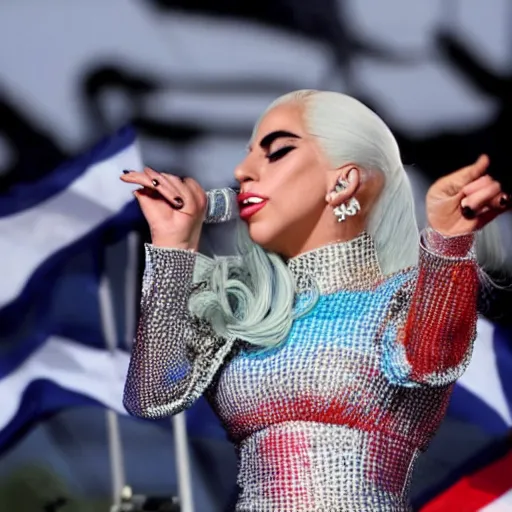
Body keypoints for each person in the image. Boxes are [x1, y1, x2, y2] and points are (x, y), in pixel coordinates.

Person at [120, 90, 510, 511]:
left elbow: (434, 357)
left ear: (343, 182)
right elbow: (151, 395)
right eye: (248, 154)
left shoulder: (398, 298)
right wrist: (174, 246)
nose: (242, 171)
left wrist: (449, 240)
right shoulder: (245, 305)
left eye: (277, 152)